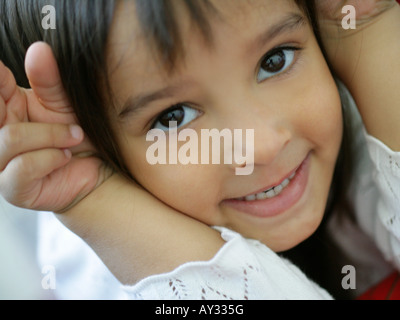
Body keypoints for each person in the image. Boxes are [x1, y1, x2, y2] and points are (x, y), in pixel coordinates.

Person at [0, 0, 399, 299]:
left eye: (274, 61)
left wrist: (364, 28)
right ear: (96, 148)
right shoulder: (100, 270)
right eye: (174, 117)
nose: (259, 147)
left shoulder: (356, 87)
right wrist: (93, 200)